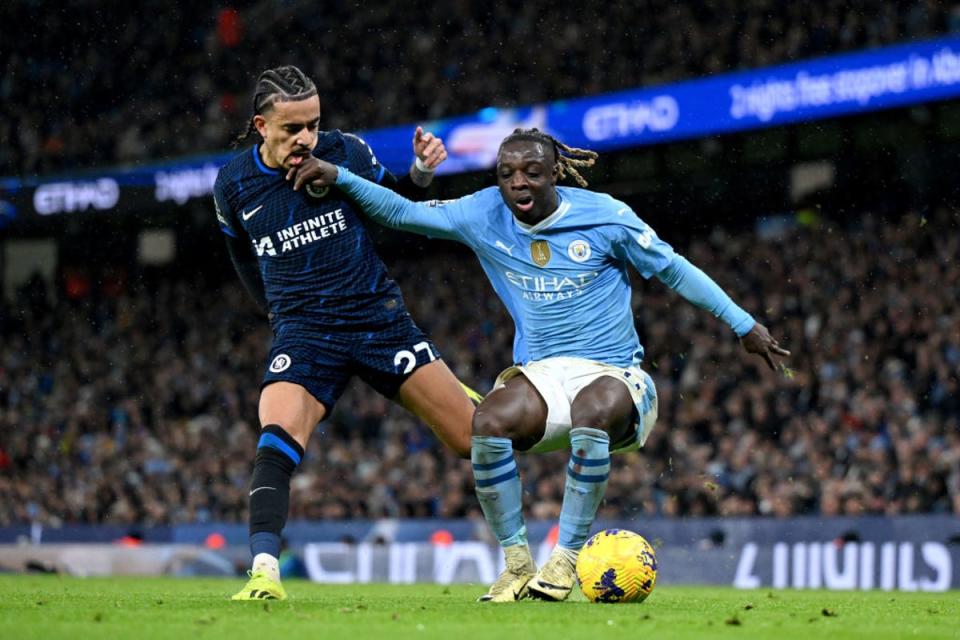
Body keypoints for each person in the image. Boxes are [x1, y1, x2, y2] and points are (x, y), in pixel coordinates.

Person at [286, 127, 791, 602]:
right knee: (487, 420)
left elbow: (674, 269)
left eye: (531, 171)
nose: (518, 182)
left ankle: (566, 559)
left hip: (616, 376)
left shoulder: (605, 216)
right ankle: (517, 564)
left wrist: (744, 325)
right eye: (507, 173)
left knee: (592, 407)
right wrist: (341, 177)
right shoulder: (482, 213)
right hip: (543, 376)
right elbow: (400, 213)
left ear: (555, 173)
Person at [214, 65, 481, 601]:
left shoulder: (347, 153)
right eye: (291, 128)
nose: (305, 139)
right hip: (305, 335)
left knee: (474, 440)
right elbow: (241, 254)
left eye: (312, 124)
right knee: (277, 437)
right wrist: (276, 313)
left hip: (377, 320)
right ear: (261, 125)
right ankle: (265, 572)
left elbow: (398, 210)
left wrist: (422, 174)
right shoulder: (233, 184)